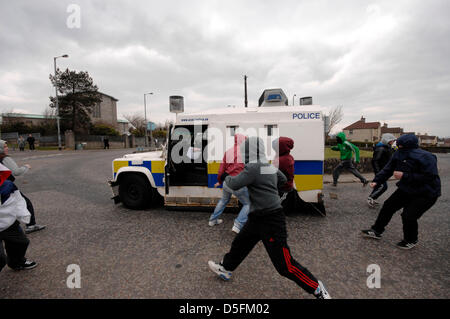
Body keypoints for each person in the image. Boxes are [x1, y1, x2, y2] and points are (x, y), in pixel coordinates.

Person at [208, 136, 330, 299]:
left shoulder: (253, 167)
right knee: (240, 244)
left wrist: (225, 177)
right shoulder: (267, 165)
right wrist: (268, 187)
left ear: (249, 151)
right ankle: (226, 268)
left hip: (271, 219)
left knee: (284, 265)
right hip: (257, 217)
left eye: (244, 150)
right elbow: (283, 179)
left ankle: (316, 288)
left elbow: (233, 183)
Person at [362, 134, 441, 249]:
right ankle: (376, 231)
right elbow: (388, 169)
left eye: (402, 146)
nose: (400, 148)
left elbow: (429, 177)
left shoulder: (427, 157)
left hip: (426, 192)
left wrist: (405, 175)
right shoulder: (399, 153)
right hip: (407, 188)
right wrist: (377, 180)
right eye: (399, 146)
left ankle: (411, 239)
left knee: (408, 215)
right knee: (388, 206)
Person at [0, 140, 46, 234]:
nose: (7, 148)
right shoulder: (5, 158)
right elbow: (16, 172)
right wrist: (26, 166)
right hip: (6, 186)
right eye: (4, 147)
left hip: (2, 186)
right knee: (26, 203)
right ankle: (30, 225)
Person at [209, 134, 250, 234]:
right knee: (248, 203)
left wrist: (219, 181)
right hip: (238, 183)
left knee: (223, 200)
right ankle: (238, 224)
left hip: (227, 182)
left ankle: (212, 220)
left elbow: (221, 170)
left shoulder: (228, 152)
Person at [0, 163, 37, 272]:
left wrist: (24, 215)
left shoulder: (7, 185)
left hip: (8, 223)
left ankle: (16, 262)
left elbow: (18, 200)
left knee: (21, 242)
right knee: (0, 259)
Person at [367, 133, 396, 208]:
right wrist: (378, 172)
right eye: (392, 140)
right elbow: (375, 161)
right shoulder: (381, 148)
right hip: (380, 171)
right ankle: (370, 198)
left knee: (379, 185)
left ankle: (372, 198)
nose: (393, 142)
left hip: (384, 171)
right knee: (383, 186)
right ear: (387, 140)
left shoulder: (388, 147)